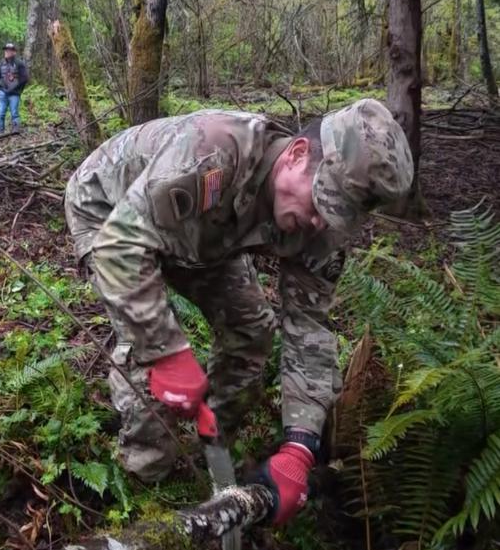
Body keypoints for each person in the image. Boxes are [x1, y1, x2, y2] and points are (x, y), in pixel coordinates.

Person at [63, 100, 413, 525]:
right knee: (146, 354)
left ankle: (210, 448)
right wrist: (166, 352)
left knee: (251, 331)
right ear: (298, 153)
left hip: (206, 237)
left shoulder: (322, 227)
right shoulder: (214, 150)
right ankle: (143, 484)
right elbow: (121, 246)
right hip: (109, 211)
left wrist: (299, 448)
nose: (321, 222)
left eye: (338, 213)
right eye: (322, 201)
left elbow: (310, 329)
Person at [0, 42, 28, 133]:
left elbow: (24, 78)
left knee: (14, 113)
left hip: (14, 94)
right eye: (6, 50)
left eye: (9, 50)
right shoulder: (1, 63)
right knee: (0, 114)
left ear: (14, 52)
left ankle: (15, 132)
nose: (7, 52)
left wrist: (18, 90)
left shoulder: (19, 63)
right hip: (3, 93)